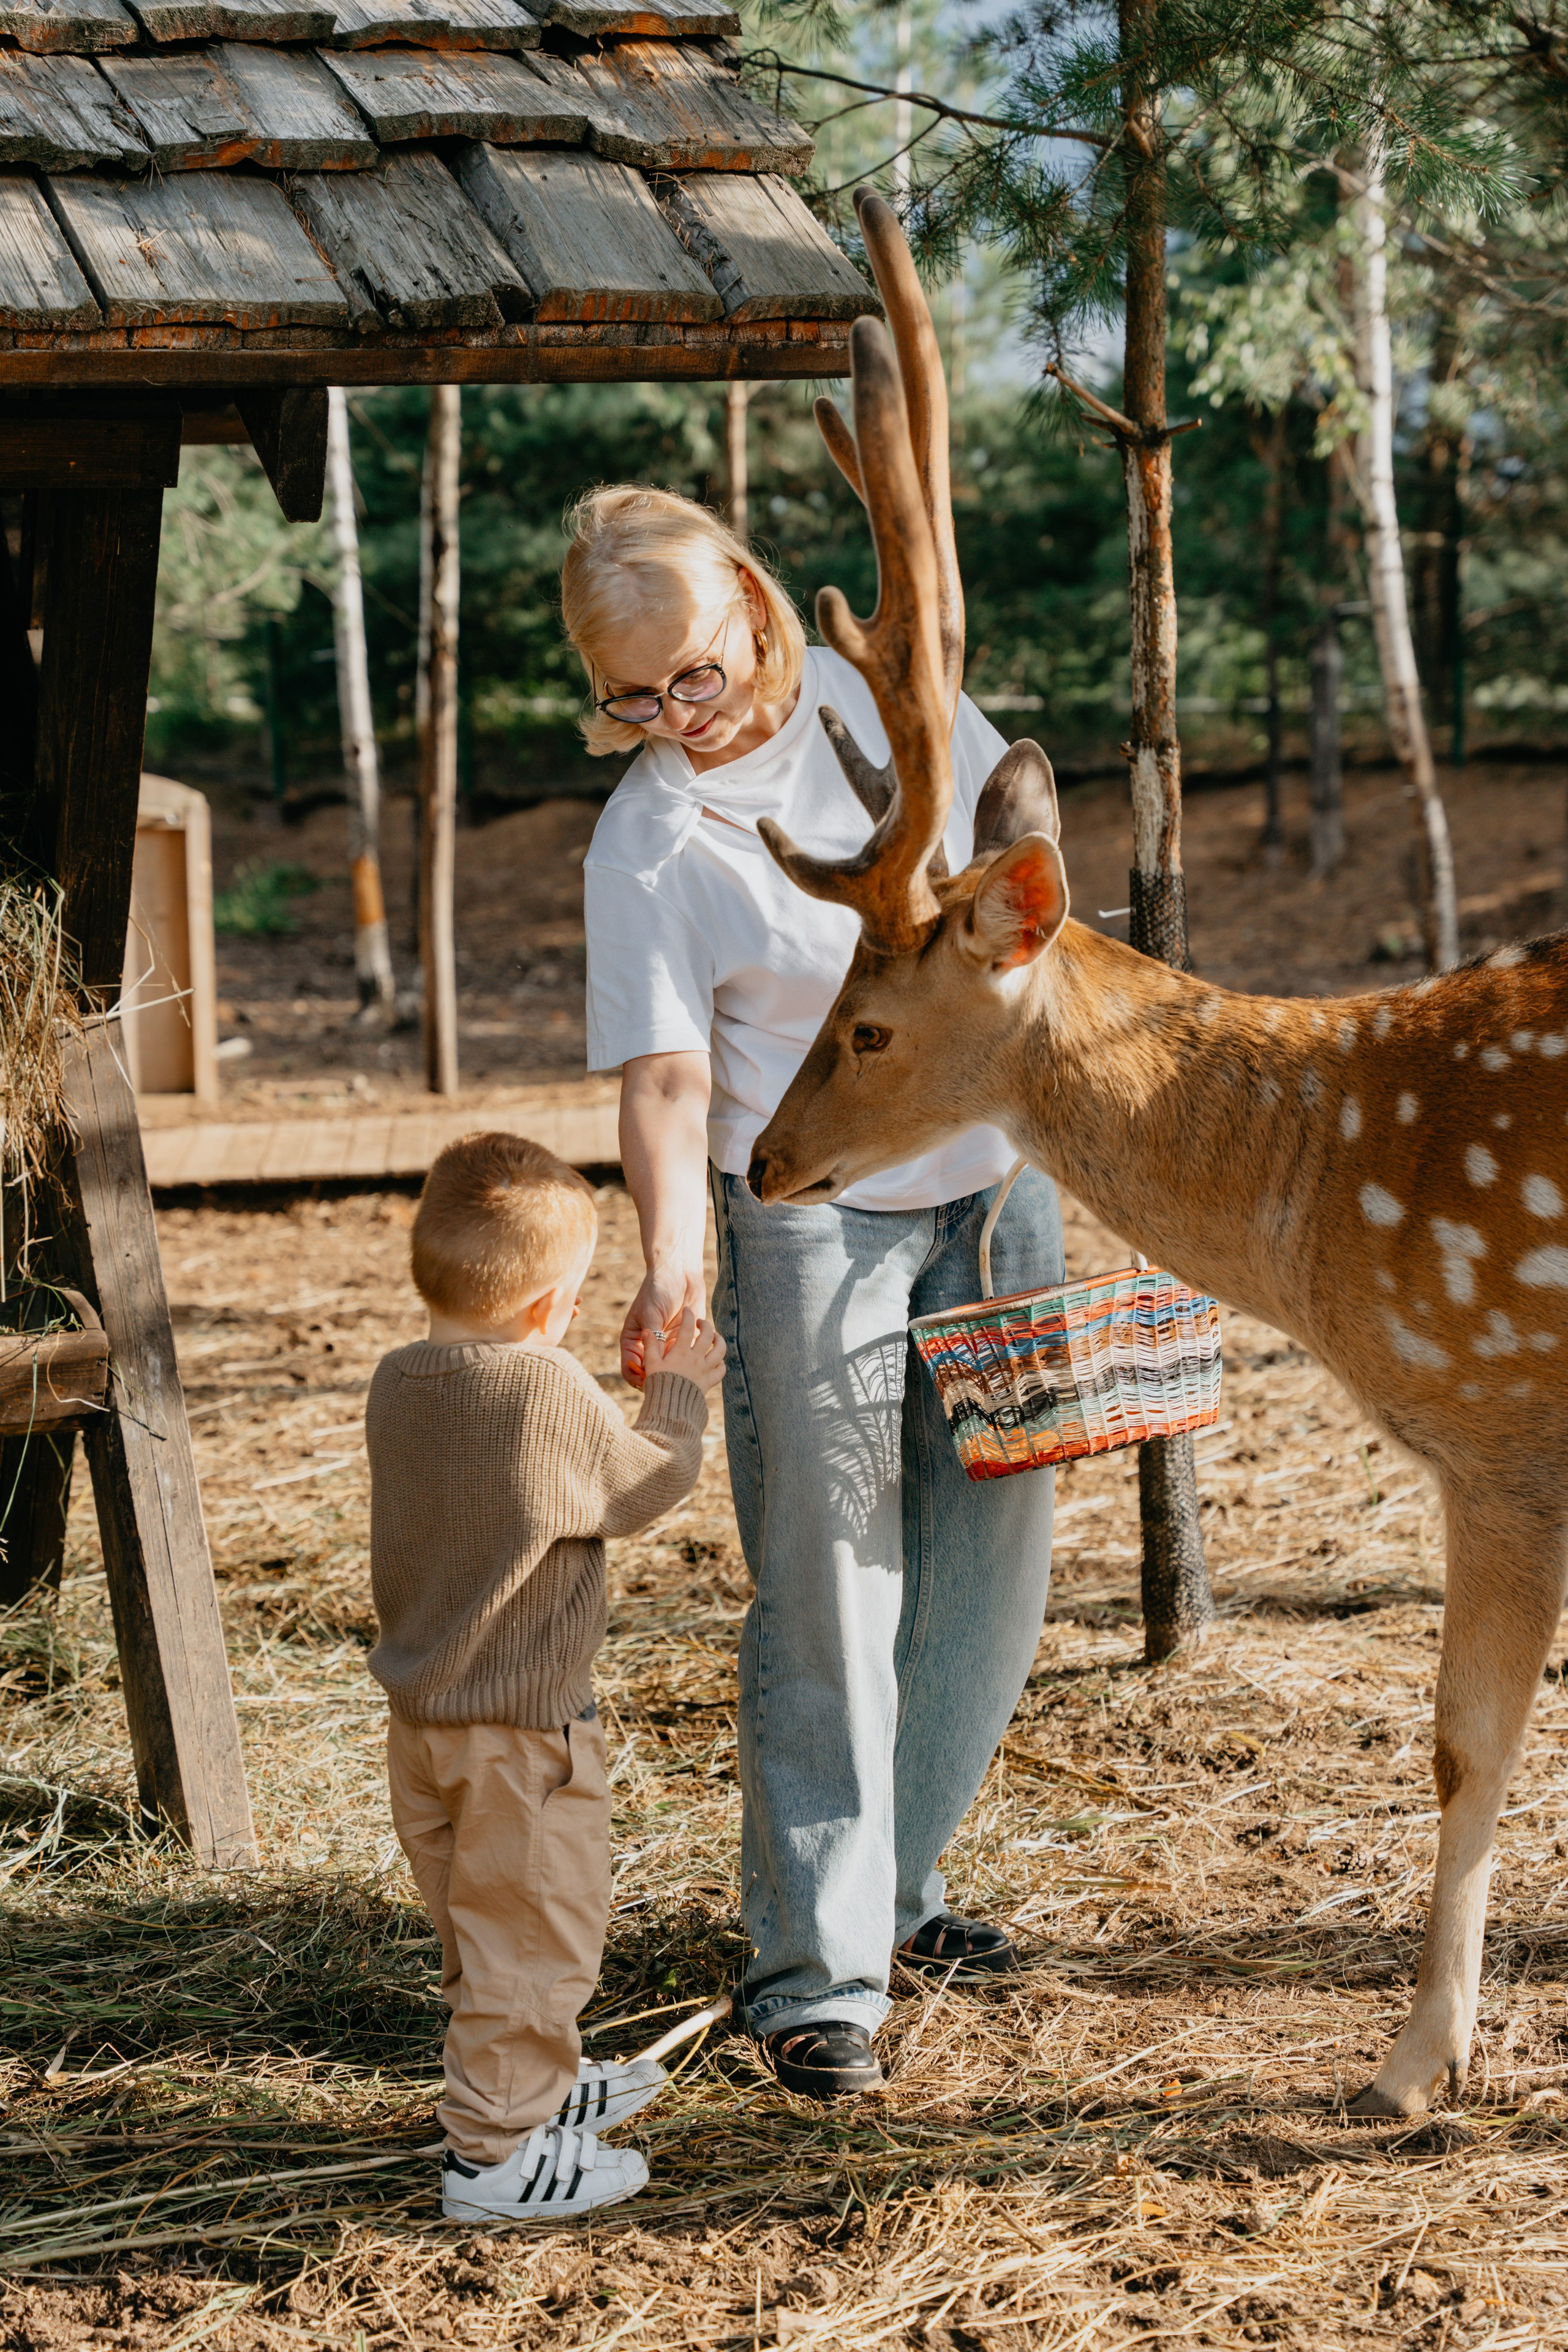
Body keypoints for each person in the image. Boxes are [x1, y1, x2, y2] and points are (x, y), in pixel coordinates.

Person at [563, 486, 1063, 2101]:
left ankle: (905, 1891)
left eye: (689, 678)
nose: (666, 721)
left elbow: (1019, 867)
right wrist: (672, 1260)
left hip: (992, 1176)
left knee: (995, 1548)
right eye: (627, 697)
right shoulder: (648, 838)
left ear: (762, 618)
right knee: (835, 1573)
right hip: (809, 1220)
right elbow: (661, 1081)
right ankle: (814, 1973)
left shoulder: (874, 700)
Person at [364, 1129, 725, 2219]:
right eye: (573, 1296)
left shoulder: (396, 1383)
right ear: (545, 1307)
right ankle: (494, 2159)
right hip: (525, 1737)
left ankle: (532, 2084)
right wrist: (678, 1391)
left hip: (424, 1729)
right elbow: (639, 1484)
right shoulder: (544, 1387)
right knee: (536, 1940)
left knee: (482, 1937)